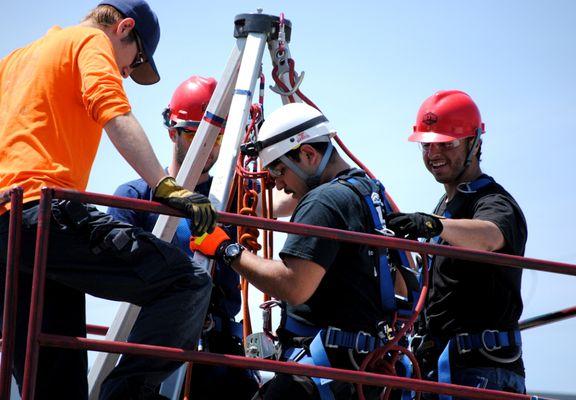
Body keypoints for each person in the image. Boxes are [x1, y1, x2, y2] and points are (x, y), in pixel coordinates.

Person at [0, 1, 217, 399]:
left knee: (52, 382)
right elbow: (114, 112)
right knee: (186, 284)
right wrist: (166, 186)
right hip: (44, 215)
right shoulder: (89, 41)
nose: (126, 72)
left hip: (8, 229)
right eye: (135, 62)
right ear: (124, 28)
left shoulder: (15, 59)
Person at [190, 102, 415, 400]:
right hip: (365, 368)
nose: (279, 184)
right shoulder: (368, 193)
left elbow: (293, 286)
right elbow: (404, 281)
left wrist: (226, 249)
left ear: (309, 154)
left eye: (279, 171)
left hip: (322, 374)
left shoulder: (322, 201)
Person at [108, 75, 259, 399]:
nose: (208, 146)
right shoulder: (135, 197)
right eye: (196, 135)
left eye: (219, 138)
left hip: (219, 351)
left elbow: (285, 198)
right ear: (172, 131)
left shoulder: (233, 197)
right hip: (152, 345)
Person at [385, 90, 527, 397]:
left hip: (481, 372)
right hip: (441, 367)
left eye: (447, 143)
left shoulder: (493, 202)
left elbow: (490, 237)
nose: (434, 153)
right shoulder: (446, 207)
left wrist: (433, 225)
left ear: (474, 143)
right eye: (427, 144)